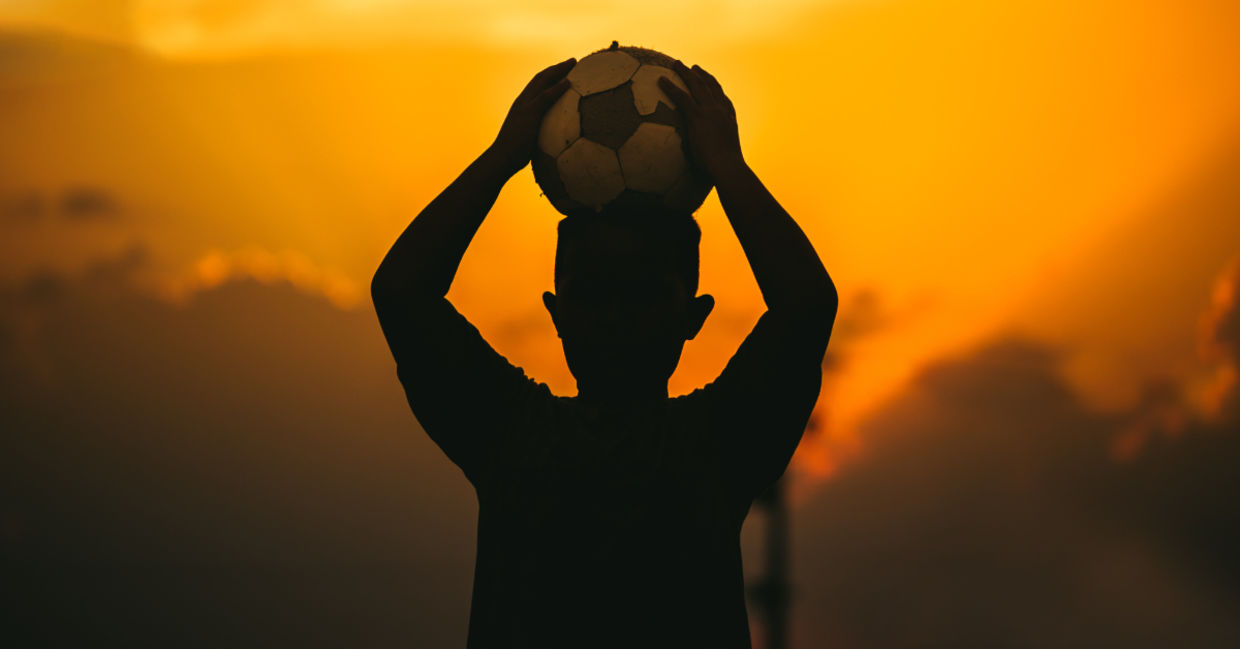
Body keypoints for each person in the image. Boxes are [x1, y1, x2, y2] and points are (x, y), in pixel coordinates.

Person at [371, 56, 837, 648]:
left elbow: (806, 308)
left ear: (691, 319)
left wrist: (727, 165)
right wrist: (500, 157)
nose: (615, 317)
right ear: (557, 314)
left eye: (641, 295)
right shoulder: (514, 434)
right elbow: (400, 293)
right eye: (595, 293)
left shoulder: (714, 443)